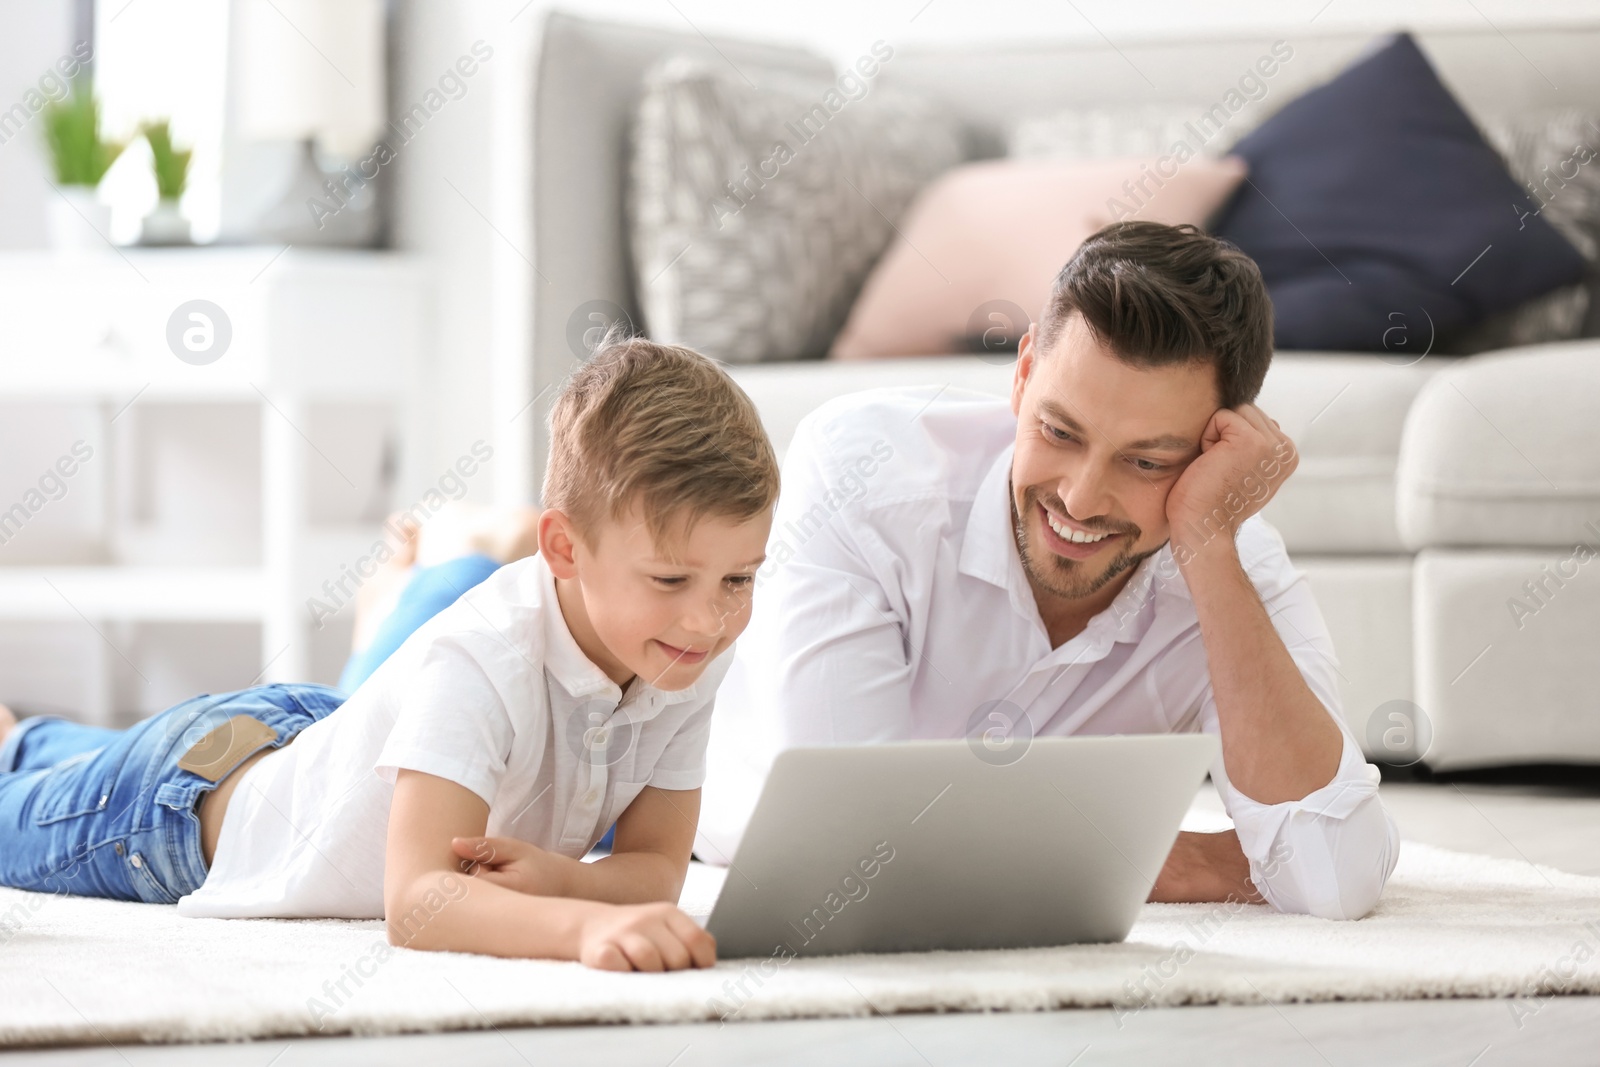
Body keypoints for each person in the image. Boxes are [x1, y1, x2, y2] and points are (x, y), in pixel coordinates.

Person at [0, 334, 779, 972]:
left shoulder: (682, 652)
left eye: (740, 577)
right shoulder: (485, 657)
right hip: (180, 810)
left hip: (311, 733)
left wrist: (562, 878)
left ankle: (22, 737)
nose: (712, 617)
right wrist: (577, 926)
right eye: (672, 577)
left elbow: (656, 869)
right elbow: (417, 903)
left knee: (44, 755)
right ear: (564, 548)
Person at [700, 221, 1400, 920]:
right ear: (1025, 371)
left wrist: (1210, 550)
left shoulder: (1229, 560)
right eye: (1058, 432)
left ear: (1213, 450)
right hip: (640, 813)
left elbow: (1335, 876)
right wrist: (1181, 857)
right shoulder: (865, 476)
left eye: (1148, 462)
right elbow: (850, 844)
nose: (1080, 497)